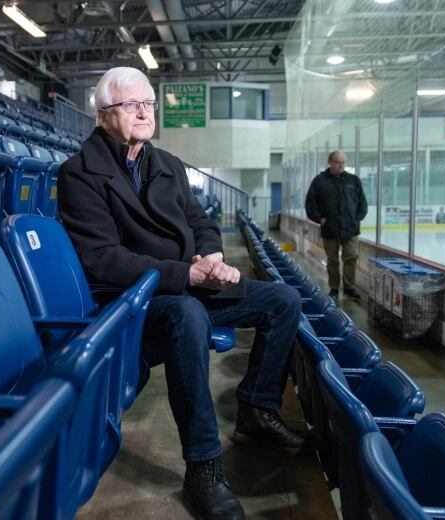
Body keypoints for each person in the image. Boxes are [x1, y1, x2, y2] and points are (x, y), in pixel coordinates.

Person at [58, 67, 303, 520]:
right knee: (188, 315)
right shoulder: (78, 175)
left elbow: (201, 223)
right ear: (102, 114)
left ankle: (256, 409)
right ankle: (204, 466)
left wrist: (211, 257)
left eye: (149, 104)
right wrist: (185, 276)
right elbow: (102, 260)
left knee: (283, 301)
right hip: (133, 301)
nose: (144, 113)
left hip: (186, 284)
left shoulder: (166, 164)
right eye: (131, 105)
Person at [304, 151, 367, 300]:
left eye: (343, 162)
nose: (341, 165)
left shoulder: (353, 180)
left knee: (351, 257)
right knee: (332, 260)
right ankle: (334, 287)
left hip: (350, 229)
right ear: (330, 162)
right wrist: (320, 219)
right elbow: (310, 204)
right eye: (338, 162)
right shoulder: (319, 181)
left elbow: (362, 203)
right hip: (330, 229)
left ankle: (349, 287)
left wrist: (356, 218)